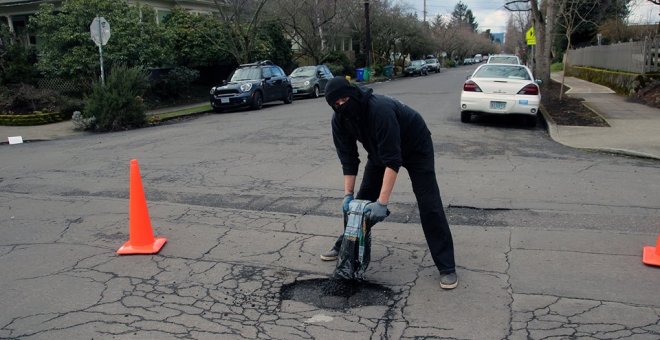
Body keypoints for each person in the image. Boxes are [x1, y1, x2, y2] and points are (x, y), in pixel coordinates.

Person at [320, 76, 458, 289]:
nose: (341, 106)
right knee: (360, 204)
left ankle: (447, 266)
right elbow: (348, 158)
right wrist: (348, 195)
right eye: (335, 104)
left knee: (429, 204)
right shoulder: (339, 120)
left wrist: (383, 203)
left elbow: (393, 161)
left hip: (416, 146)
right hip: (379, 151)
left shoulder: (379, 110)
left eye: (344, 100)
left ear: (354, 93)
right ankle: (345, 246)